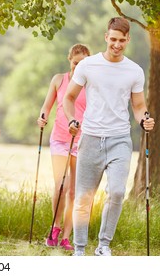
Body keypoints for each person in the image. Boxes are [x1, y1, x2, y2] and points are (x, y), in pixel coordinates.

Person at [63, 17, 155, 256]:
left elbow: (138, 105)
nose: (116, 44)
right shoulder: (88, 65)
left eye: (121, 40)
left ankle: (103, 245)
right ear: (106, 37)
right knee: (84, 197)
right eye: (113, 39)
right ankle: (80, 248)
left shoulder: (134, 70)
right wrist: (73, 120)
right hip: (91, 138)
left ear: (128, 40)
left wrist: (144, 117)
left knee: (116, 192)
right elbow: (69, 98)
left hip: (120, 140)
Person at [37, 44, 90, 251]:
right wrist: (42, 117)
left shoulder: (91, 85)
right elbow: (47, 106)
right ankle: (55, 227)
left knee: (74, 191)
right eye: (76, 63)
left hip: (83, 141)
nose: (78, 67)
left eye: (83, 63)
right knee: (61, 185)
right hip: (59, 138)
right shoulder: (59, 80)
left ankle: (67, 236)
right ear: (70, 60)